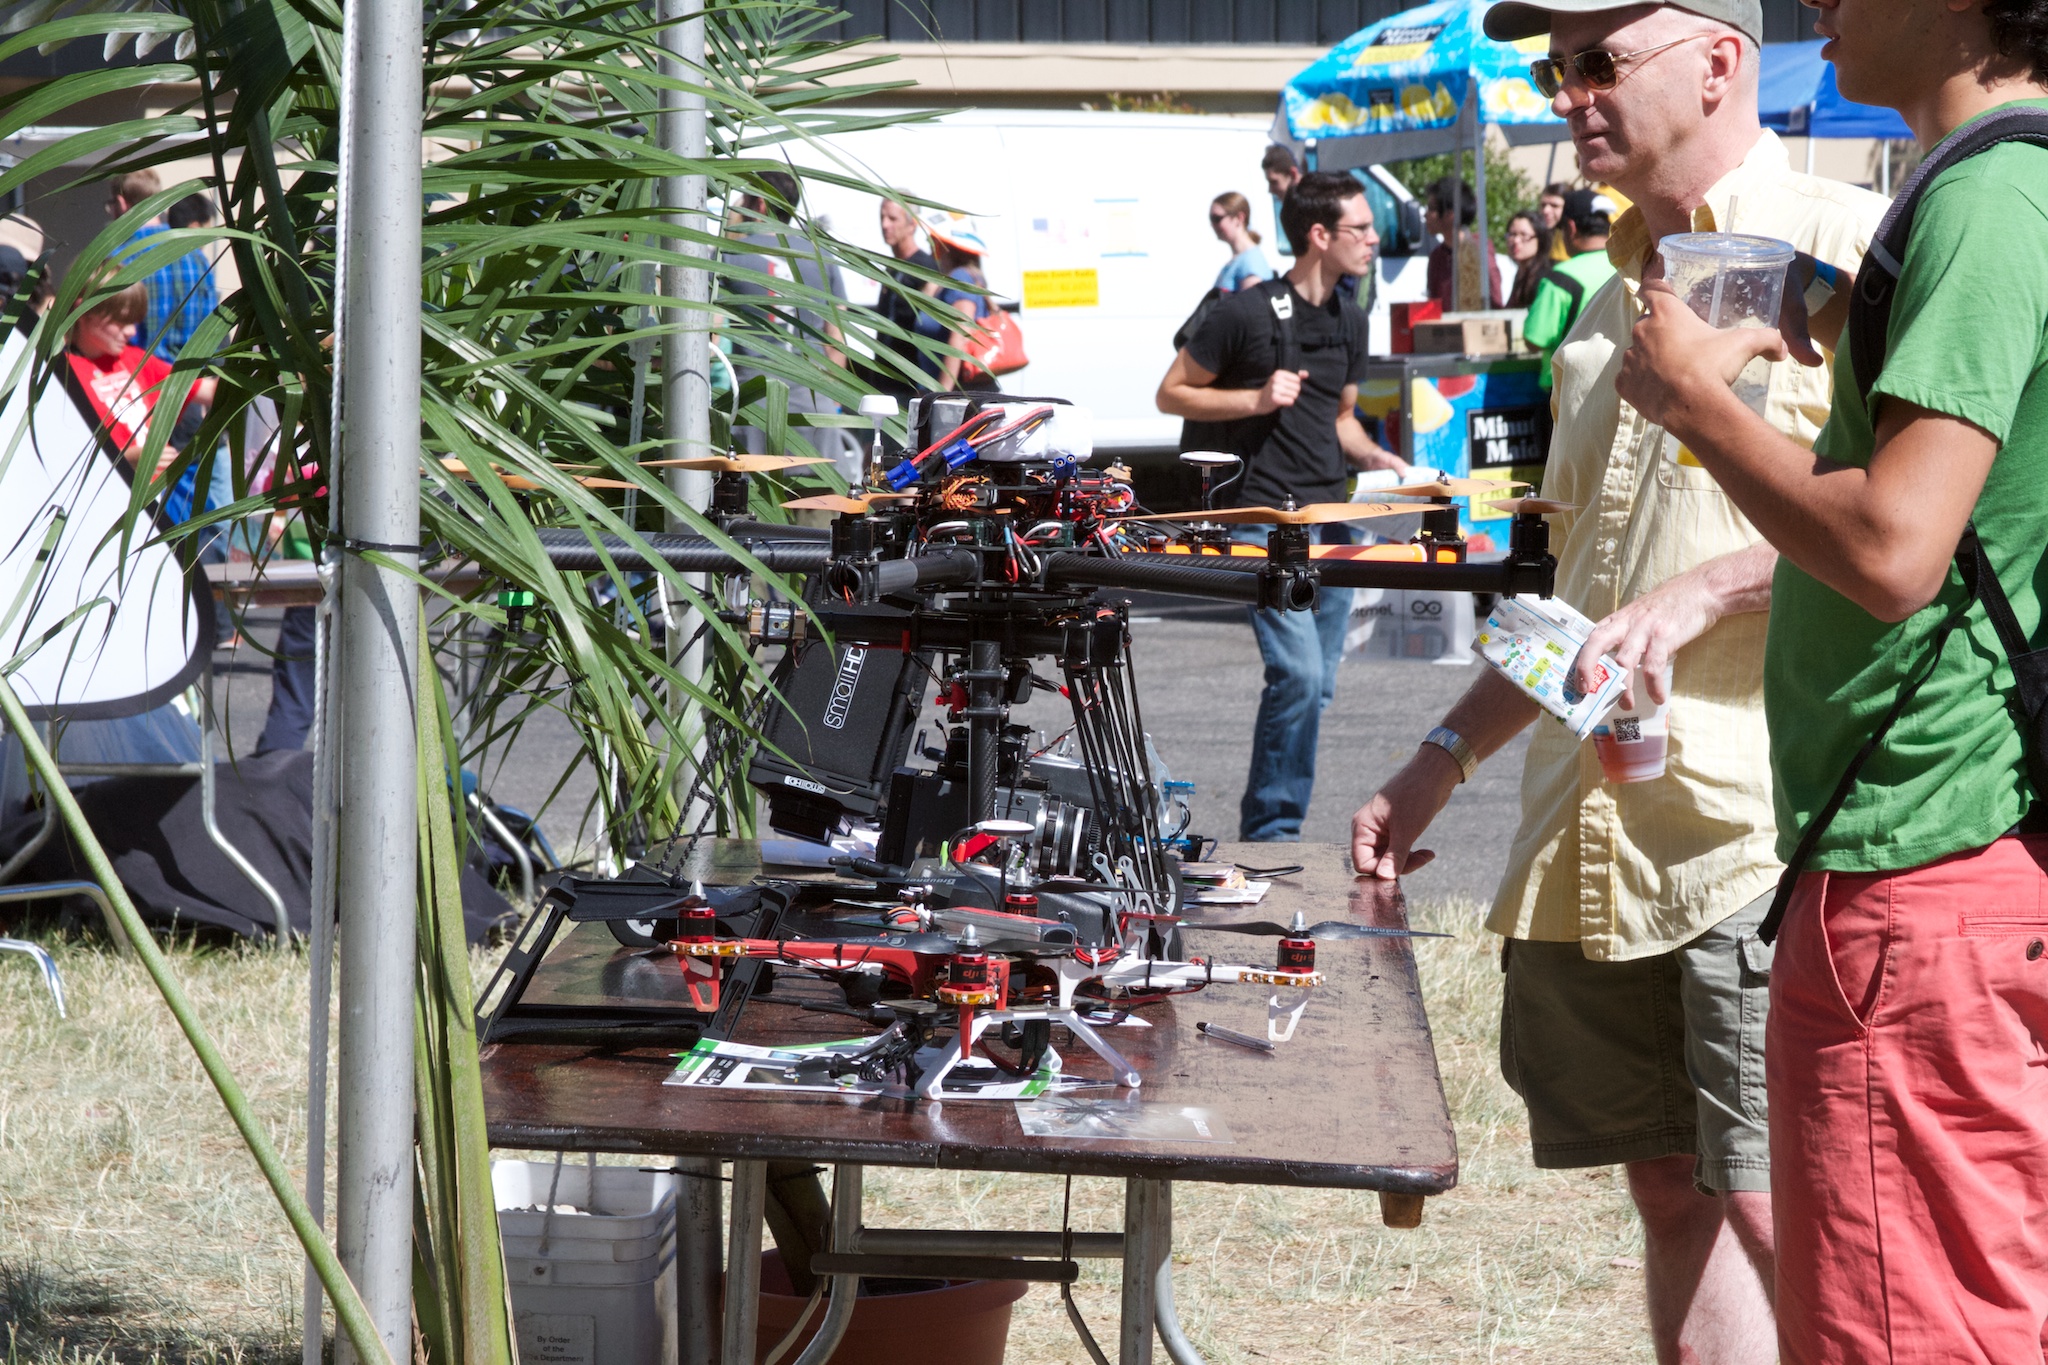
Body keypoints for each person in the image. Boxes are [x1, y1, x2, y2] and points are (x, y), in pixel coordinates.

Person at [1348, 0, 1886, 1359]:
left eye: (1599, 62)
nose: (1569, 95)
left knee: (1792, 1213)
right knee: (1671, 1194)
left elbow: (1920, 522)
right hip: (1601, 827)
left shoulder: (1852, 249)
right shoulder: (1599, 307)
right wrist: (1438, 759)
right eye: (1556, 69)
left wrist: (1707, 590)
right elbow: (1585, 595)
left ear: (1719, 61)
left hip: (1768, 829)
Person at [1610, 0, 2048, 1354]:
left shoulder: (1991, 197)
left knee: (1899, 1329)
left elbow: (1891, 547)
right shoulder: (1995, 187)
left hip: (1916, 861)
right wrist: (1835, 302)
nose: (1817, 4)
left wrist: (1697, 403)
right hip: (1953, 857)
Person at [1156, 171, 1407, 843]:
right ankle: (1273, 832)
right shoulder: (1245, 313)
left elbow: (1342, 418)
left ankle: (1274, 823)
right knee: (1296, 675)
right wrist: (1256, 399)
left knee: (1317, 685)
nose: (1373, 239)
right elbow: (1171, 392)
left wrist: (1379, 459)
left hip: (1333, 521)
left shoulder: (1352, 318)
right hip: (1265, 522)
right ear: (1319, 235)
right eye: (1362, 228)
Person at [722, 169, 855, 458]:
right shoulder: (822, 257)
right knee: (818, 485)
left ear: (759, 204)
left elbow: (710, 336)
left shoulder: (729, 255)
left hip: (753, 404)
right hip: (813, 405)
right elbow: (837, 342)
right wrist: (829, 397)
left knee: (750, 487)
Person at [65, 266, 213, 518]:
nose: (132, 331)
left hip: (156, 499)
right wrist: (128, 459)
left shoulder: (135, 359)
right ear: (84, 310)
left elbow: (208, 390)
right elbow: (69, 456)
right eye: (121, 320)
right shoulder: (64, 372)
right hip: (106, 506)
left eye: (134, 321)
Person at [107, 172, 218, 363]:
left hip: (140, 374)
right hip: (190, 375)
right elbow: (211, 329)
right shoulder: (196, 256)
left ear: (121, 202)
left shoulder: (118, 260)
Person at [1521, 188, 1619, 386]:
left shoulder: (1561, 278)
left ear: (1571, 228)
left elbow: (1535, 340)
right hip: (1618, 385)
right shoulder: (1627, 267)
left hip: (1568, 389)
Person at [865, 196, 943, 397]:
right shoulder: (891, 268)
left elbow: (931, 330)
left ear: (912, 225)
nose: (885, 225)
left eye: (892, 219)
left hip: (911, 386)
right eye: (882, 218)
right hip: (883, 382)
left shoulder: (925, 268)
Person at [919, 209, 999, 392]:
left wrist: (941, 393)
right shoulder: (959, 277)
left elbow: (959, 337)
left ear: (944, 245)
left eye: (933, 239)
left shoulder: (961, 278)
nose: (929, 245)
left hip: (959, 395)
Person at [1423, 175, 1502, 312]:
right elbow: (1433, 307)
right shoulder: (1437, 257)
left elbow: (1495, 300)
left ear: (1450, 214)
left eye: (1431, 209)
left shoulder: (1480, 249)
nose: (1425, 215)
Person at [1209, 192, 1274, 293]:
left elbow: (1252, 302)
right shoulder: (1238, 259)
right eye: (1211, 219)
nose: (1212, 225)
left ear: (1240, 218)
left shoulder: (1251, 261)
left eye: (1217, 219)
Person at [1502, 210, 1553, 307]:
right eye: (1512, 234)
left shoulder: (1545, 277)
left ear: (1540, 239)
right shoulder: (1521, 273)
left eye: (1524, 235)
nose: (1516, 241)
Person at [1261, 145, 1305, 256]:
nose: (1270, 190)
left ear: (1293, 174)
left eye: (1274, 182)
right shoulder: (1291, 211)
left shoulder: (1316, 208)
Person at [1539, 180, 1574, 261]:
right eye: (1543, 205)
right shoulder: (1536, 236)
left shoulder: (1577, 241)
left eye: (1554, 206)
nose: (1546, 211)